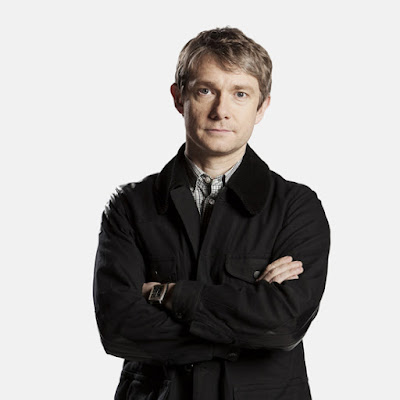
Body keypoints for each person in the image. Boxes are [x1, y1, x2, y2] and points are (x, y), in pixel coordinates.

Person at [93, 27, 330, 400]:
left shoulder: (296, 208)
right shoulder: (130, 206)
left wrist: (168, 294)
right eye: (206, 91)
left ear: (262, 106)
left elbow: (283, 326)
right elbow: (118, 328)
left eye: (240, 94)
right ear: (179, 97)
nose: (221, 111)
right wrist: (243, 328)